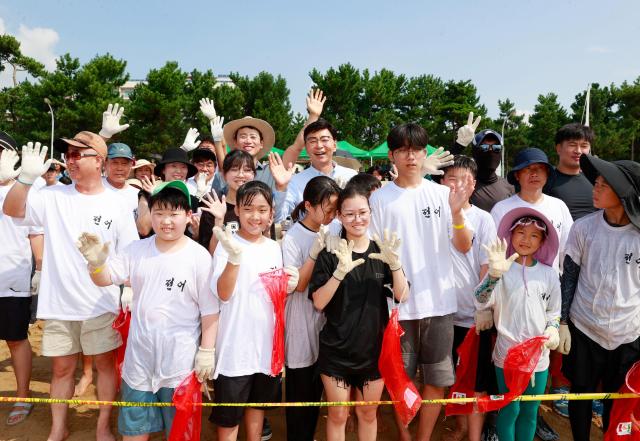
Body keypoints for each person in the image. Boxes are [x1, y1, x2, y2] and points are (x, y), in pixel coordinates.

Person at [2, 134, 138, 441]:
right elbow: (12, 210)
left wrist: (125, 286)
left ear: (98, 161)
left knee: (104, 366)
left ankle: (103, 425)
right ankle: (58, 427)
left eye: (79, 154)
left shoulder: (117, 203)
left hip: (100, 302)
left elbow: (129, 253)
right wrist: (24, 179)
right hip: (59, 303)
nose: (71, 159)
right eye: (68, 154)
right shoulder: (53, 196)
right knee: (62, 369)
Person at [76, 180, 219, 440]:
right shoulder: (137, 250)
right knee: (135, 429)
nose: (166, 221)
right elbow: (105, 278)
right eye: (159, 213)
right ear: (150, 215)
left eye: (174, 214)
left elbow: (209, 311)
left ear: (188, 216)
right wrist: (96, 263)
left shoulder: (199, 258)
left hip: (180, 363)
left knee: (180, 432)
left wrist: (206, 352)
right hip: (139, 360)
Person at [368, 123, 473, 441]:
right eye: (402, 149)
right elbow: (376, 255)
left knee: (437, 377)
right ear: (392, 156)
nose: (410, 155)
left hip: (440, 303)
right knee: (401, 378)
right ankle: (405, 435)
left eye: (416, 149)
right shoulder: (380, 198)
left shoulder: (443, 194)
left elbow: (464, 245)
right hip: (398, 306)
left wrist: (456, 215)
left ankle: (423, 436)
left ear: (424, 153)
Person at [309, 185, 409, 441]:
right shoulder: (331, 253)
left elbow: (402, 295)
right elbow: (318, 302)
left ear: (371, 212)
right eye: (349, 214)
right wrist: (339, 272)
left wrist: (395, 264)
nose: (357, 219)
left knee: (368, 414)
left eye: (362, 212)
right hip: (336, 351)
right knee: (338, 415)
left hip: (373, 351)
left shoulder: (381, 250)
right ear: (340, 216)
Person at [557, 155, 640, 440]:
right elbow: (568, 276)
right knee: (580, 395)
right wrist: (563, 320)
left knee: (616, 399)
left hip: (629, 332)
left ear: (622, 192)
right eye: (597, 182)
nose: (595, 187)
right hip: (585, 329)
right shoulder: (584, 228)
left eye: (603, 185)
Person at [209, 181, 299, 441]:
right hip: (234, 350)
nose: (255, 216)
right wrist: (234, 260)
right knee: (229, 417)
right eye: (248, 209)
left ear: (272, 213)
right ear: (236, 210)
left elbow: (272, 295)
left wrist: (287, 286)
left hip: (265, 347)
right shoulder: (227, 245)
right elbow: (223, 293)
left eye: (262, 210)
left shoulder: (273, 248)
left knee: (257, 407)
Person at [474, 207, 561, 441]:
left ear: (542, 242)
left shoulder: (549, 274)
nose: (526, 240)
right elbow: (480, 299)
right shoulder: (502, 269)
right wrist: (493, 275)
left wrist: (553, 328)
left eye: (534, 235)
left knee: (530, 411)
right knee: (509, 408)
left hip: (539, 357)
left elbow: (554, 311)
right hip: (506, 352)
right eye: (521, 232)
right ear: (510, 235)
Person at [434, 156, 497, 441]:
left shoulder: (484, 219)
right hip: (440, 313)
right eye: (451, 179)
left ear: (472, 184)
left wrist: (482, 307)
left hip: (473, 317)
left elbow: (486, 268)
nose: (457, 185)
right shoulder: (434, 214)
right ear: (441, 182)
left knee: (476, 380)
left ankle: (473, 434)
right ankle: (458, 426)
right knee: (446, 377)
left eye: (463, 180)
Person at [281, 176, 341, 441]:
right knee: (300, 389)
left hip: (324, 323)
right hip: (301, 321)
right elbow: (299, 285)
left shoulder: (334, 229)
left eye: (334, 209)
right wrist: (314, 253)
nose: (331, 215)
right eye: (327, 209)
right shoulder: (293, 237)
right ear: (308, 205)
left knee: (316, 389)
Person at [0, 136, 43, 426]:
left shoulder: (30, 187)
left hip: (12, 276)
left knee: (15, 338)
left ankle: (23, 395)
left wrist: (40, 268)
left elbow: (35, 232)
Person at [490, 148, 573, 272]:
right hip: (509, 283)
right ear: (517, 175)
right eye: (528, 169)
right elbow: (492, 250)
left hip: (549, 285)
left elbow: (567, 251)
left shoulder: (559, 206)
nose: (534, 173)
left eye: (540, 168)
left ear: (547, 174)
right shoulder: (501, 209)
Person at [275, 119, 358, 222]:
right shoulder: (295, 181)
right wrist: (281, 188)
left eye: (324, 140)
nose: (319, 146)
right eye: (312, 141)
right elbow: (279, 218)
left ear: (335, 145)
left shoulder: (351, 176)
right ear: (306, 147)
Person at [450, 113, 514, 212]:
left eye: (496, 148)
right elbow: (440, 175)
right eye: (484, 147)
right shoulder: (464, 184)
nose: (490, 151)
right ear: (475, 152)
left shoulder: (509, 187)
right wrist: (459, 146)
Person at [198, 150, 256, 254]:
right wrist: (219, 223)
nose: (241, 175)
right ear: (224, 175)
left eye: (247, 170)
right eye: (234, 169)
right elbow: (207, 254)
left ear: (253, 175)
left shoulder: (259, 208)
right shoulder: (213, 207)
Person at [544, 123, 596, 220]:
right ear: (558, 148)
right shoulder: (545, 180)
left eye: (584, 146)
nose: (578, 151)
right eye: (572, 145)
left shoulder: (596, 180)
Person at [103, 143, 139, 219]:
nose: (119, 168)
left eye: (124, 163)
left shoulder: (138, 194)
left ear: (131, 166)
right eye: (115, 163)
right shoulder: (93, 187)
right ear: (105, 163)